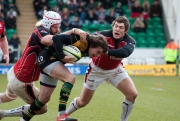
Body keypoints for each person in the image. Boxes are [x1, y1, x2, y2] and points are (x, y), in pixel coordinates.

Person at [0, 10, 87, 120]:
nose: (58, 29)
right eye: (55, 27)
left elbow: (58, 37)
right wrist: (74, 36)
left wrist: (74, 30)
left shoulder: (44, 30)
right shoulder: (41, 32)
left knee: (7, 97)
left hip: (15, 72)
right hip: (23, 80)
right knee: (42, 107)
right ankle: (3, 114)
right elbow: (49, 40)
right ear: (48, 25)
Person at [62, 16, 138, 121]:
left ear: (126, 30)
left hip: (115, 70)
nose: (117, 29)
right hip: (96, 71)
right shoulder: (102, 35)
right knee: (83, 102)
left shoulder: (130, 41)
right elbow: (89, 41)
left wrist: (105, 51)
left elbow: (125, 52)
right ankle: (63, 116)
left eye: (121, 27)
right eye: (116, 26)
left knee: (132, 94)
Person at [20, 33, 108, 121]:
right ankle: (61, 116)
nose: (98, 55)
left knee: (44, 98)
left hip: (51, 62)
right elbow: (57, 38)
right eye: (98, 52)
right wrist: (62, 56)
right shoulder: (81, 39)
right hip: (47, 58)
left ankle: (24, 120)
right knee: (70, 79)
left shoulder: (89, 48)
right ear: (93, 45)